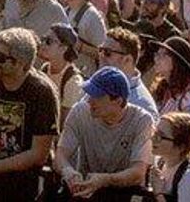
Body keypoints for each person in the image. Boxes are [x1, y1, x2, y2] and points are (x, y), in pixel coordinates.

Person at [0, 27, 59, 201]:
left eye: (1, 58)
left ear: (21, 64)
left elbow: (38, 154)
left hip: (21, 186)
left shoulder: (42, 93)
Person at [55, 66, 153, 201]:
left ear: (118, 101)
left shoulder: (142, 121)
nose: (89, 100)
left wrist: (104, 180)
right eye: (89, 94)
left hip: (123, 193)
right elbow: (60, 155)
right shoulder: (80, 112)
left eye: (97, 96)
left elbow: (137, 173)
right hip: (85, 191)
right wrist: (68, 172)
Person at [150, 112, 190, 202]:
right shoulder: (159, 162)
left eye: (161, 136)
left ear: (181, 147)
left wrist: (158, 194)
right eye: (154, 132)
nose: (152, 138)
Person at [98, 27, 159, 120]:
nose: (101, 56)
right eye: (100, 50)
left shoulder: (143, 106)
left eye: (107, 52)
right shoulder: (96, 87)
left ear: (127, 59)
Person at [58, 0, 107, 77]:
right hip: (67, 74)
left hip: (86, 75)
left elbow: (104, 54)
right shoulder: (64, 11)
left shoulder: (92, 16)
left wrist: (78, 45)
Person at [39, 23, 84, 126]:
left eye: (49, 41)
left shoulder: (73, 81)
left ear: (64, 48)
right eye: (43, 39)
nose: (43, 44)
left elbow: (66, 122)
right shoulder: (45, 68)